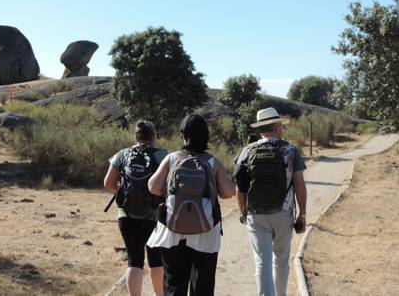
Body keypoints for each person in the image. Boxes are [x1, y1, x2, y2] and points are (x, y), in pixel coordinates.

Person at [147, 113, 235, 296]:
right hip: (206, 233)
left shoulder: (172, 158)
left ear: (184, 134)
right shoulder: (212, 161)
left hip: (173, 231)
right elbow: (228, 192)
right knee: (203, 288)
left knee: (174, 286)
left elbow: (153, 187)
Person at [234, 107, 307, 296]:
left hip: (256, 214)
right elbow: (299, 184)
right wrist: (303, 214)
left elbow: (239, 187)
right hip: (283, 213)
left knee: (262, 262)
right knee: (281, 260)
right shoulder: (290, 150)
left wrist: (243, 211)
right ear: (276, 127)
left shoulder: (247, 151)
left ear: (260, 129)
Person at [104, 120, 167, 296]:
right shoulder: (162, 155)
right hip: (153, 215)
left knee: (134, 261)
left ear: (136, 136)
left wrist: (125, 192)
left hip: (126, 214)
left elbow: (108, 183)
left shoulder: (122, 154)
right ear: (153, 137)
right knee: (156, 260)